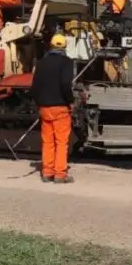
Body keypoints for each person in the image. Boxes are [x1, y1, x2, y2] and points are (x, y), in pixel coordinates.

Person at [31, 33, 75, 183]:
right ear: (64, 46)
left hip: (44, 108)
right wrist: (71, 101)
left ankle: (47, 172)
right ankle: (60, 174)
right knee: (61, 142)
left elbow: (35, 87)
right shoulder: (67, 62)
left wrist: (39, 103)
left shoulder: (42, 63)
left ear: (51, 45)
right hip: (60, 108)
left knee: (48, 142)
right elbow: (65, 84)